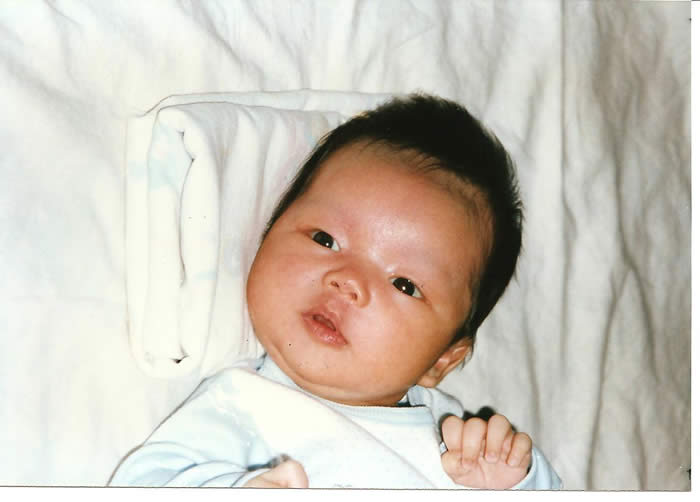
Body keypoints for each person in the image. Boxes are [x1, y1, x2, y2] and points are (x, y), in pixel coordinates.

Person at [110, 94, 561, 489]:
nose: (348, 281)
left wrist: (515, 482)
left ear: (442, 360)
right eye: (325, 240)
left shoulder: (456, 443)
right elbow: (141, 482)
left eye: (404, 284)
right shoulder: (244, 405)